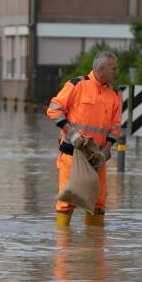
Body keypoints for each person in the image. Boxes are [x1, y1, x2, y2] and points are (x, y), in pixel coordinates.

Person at [46, 51, 125, 219]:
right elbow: (54, 109)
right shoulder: (77, 85)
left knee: (99, 205)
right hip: (72, 154)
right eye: (114, 68)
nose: (116, 72)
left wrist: (106, 151)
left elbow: (115, 127)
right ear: (102, 69)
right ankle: (63, 242)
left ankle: (95, 243)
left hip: (97, 158)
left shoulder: (113, 95)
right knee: (67, 202)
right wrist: (71, 133)